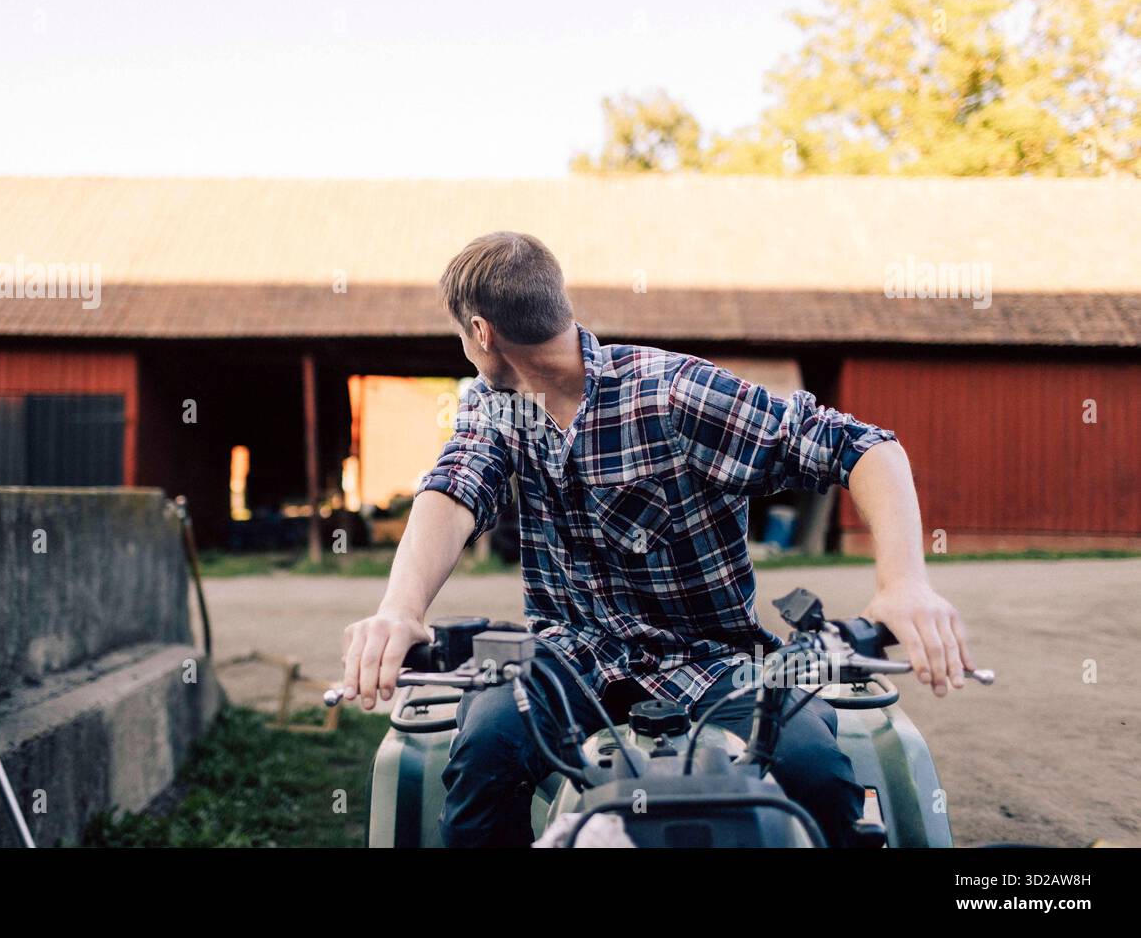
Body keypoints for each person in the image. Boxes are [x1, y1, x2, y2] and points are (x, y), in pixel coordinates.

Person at [340, 231, 976, 847]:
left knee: (816, 775)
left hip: (717, 661)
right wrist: (400, 609)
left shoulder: (673, 391)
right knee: (483, 752)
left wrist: (905, 585)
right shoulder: (497, 408)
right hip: (568, 659)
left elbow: (861, 446)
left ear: (480, 332)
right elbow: (453, 490)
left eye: (461, 337)